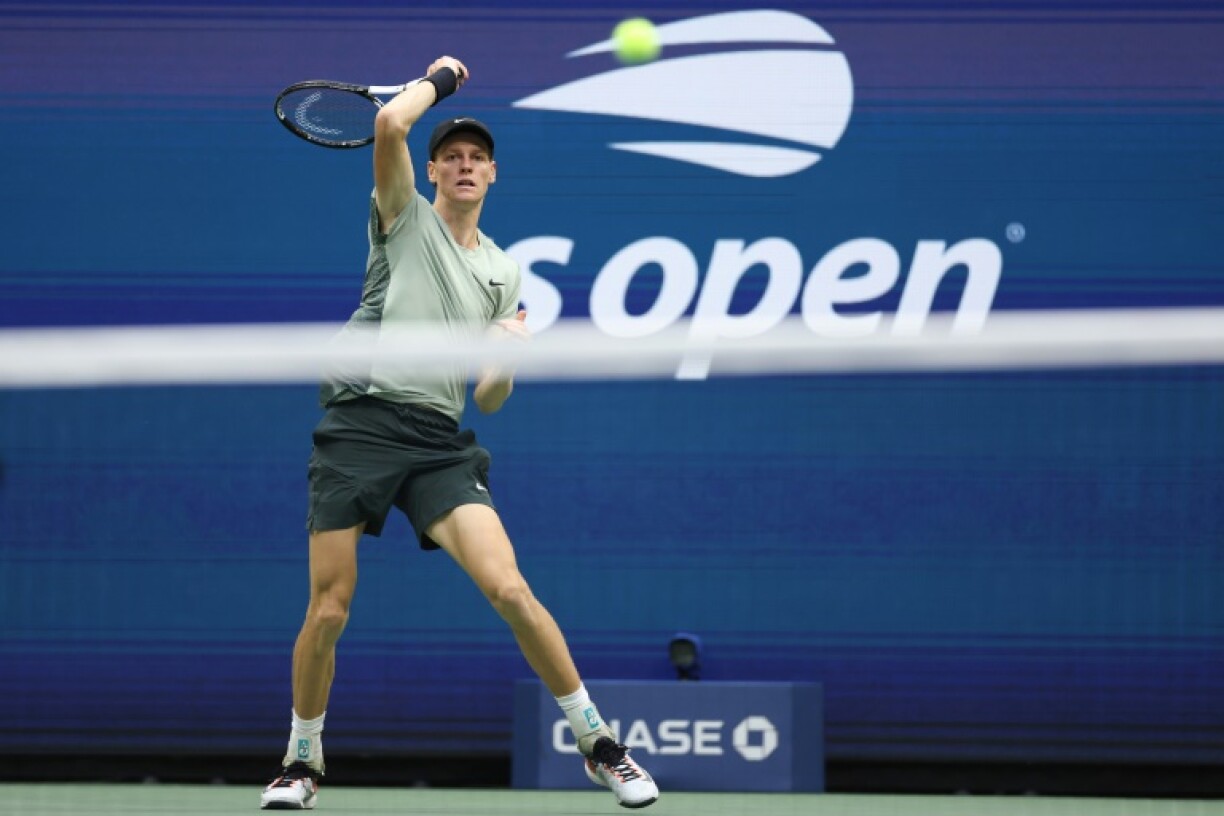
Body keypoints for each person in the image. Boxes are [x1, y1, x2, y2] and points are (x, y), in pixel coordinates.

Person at [260, 56, 659, 811]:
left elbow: (490, 398)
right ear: (433, 172)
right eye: (452, 157)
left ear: (493, 175)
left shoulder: (504, 273)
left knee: (509, 587)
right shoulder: (401, 214)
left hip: (439, 441)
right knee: (331, 607)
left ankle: (599, 745)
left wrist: (507, 358)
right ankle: (301, 759)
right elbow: (390, 122)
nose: (465, 165)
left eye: (477, 157)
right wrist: (439, 77)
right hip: (360, 424)